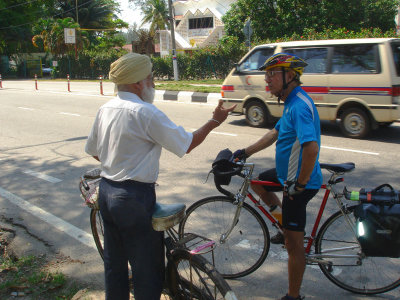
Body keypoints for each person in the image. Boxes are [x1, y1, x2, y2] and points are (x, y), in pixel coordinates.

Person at [85, 52, 236, 300]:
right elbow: (186, 144)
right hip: (134, 198)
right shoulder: (145, 112)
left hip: (107, 192)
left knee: (115, 266)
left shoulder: (106, 108)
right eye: (150, 78)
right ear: (137, 83)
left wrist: (118, 161)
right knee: (147, 271)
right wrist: (214, 122)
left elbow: (94, 152)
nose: (153, 83)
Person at [233, 53, 322, 300]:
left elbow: (311, 149)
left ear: (290, 76)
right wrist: (243, 152)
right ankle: (284, 225)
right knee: (258, 182)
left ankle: (294, 296)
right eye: (266, 75)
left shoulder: (300, 106)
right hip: (287, 177)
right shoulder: (293, 102)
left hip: (297, 184)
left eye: (272, 74)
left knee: (294, 246)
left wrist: (299, 186)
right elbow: (273, 134)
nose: (267, 80)